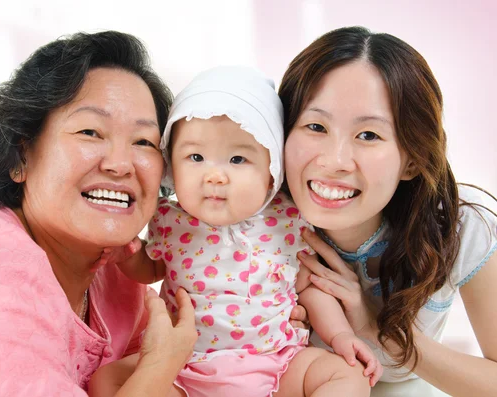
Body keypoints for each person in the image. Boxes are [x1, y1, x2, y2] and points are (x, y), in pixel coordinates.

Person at [0, 31, 198, 396]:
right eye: (90, 132)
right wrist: (159, 366)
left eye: (143, 142)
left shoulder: (110, 264)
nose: (121, 164)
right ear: (20, 157)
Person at [91, 66, 382, 397]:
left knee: (346, 376)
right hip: (181, 368)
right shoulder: (168, 221)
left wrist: (341, 336)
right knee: (106, 380)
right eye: (196, 157)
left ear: (272, 175)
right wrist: (125, 252)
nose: (215, 176)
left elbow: (310, 288)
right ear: (171, 165)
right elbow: (153, 268)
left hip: (277, 362)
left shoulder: (287, 220)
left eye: (238, 159)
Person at [278, 26, 497, 396]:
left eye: (368, 135)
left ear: (412, 160)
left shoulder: (459, 230)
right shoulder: (255, 225)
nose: (335, 161)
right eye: (316, 126)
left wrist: (375, 327)